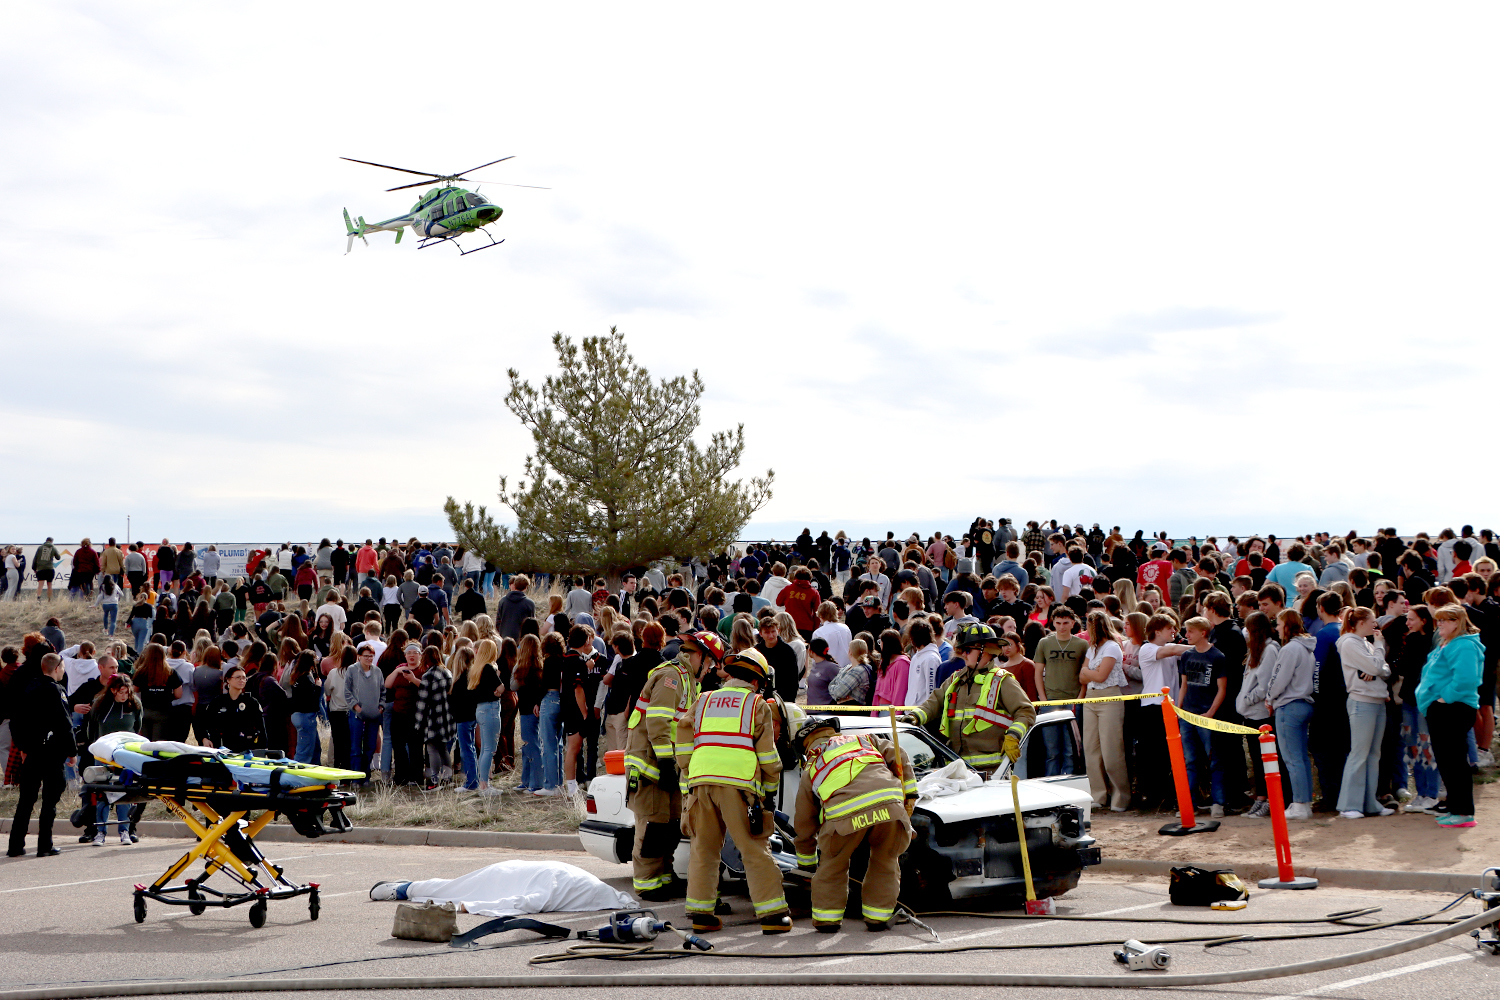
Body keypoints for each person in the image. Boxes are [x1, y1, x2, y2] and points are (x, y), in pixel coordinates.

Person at [682, 648, 791, 935]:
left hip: (700, 783)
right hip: (739, 786)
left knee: (704, 849)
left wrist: (688, 770)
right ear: (757, 681)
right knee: (753, 848)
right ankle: (772, 915)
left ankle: (701, 916)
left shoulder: (703, 700)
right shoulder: (756, 704)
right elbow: (768, 757)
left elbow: (681, 732)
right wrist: (767, 795)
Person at [624, 630, 725, 901]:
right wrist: (667, 762)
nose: (711, 669)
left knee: (668, 824)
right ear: (699, 656)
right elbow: (658, 722)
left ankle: (664, 878)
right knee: (652, 825)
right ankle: (647, 884)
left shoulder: (690, 681)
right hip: (650, 763)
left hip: (666, 764)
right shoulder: (671, 677)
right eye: (711, 662)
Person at [791, 717, 918, 932]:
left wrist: (806, 861)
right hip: (890, 806)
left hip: (844, 817)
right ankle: (878, 918)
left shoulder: (812, 764)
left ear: (806, 744)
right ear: (833, 731)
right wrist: (910, 794)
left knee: (833, 864)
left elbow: (804, 822)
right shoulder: (864, 740)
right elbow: (899, 753)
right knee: (885, 860)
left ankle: (827, 921)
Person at [903, 623, 1035, 777]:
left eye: (967, 650)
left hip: (991, 773)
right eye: (961, 650)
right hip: (958, 769)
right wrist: (913, 717)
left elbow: (1026, 711)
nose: (963, 655)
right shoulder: (955, 680)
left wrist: (1013, 735)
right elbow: (933, 703)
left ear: (984, 650)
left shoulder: (1002, 681)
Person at [1415, 604, 1484, 828]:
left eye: (1444, 620)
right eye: (1439, 620)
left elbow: (1466, 678)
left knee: (1454, 761)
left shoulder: (1464, 645)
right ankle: (1455, 807)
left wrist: (1445, 697)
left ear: (1457, 622)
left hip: (1453, 708)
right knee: (1447, 761)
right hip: (1442, 708)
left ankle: (1464, 812)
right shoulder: (1450, 643)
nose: (1439, 624)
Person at [7, 652, 72, 857]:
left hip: (33, 753)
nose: (63, 670)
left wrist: (23, 748)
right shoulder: (56, 690)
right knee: (49, 801)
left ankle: (15, 846)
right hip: (51, 754)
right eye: (62, 667)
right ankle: (45, 845)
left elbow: (15, 722)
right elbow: (65, 724)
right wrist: (72, 752)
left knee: (25, 801)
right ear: (55, 668)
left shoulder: (29, 688)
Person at [1163, 617, 1229, 816]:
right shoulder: (1187, 656)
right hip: (1187, 716)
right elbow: (1184, 685)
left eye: (1190, 631)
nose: (1187, 635)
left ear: (1203, 632)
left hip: (1206, 716)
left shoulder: (1217, 656)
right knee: (1189, 761)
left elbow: (1221, 689)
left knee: (1214, 759)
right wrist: (1179, 710)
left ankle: (1218, 802)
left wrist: (1211, 712)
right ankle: (1187, 803)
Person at [1334, 607, 1393, 819]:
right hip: (1362, 702)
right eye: (1371, 621)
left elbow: (1384, 670)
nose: (1374, 625)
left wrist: (1375, 664)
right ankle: (1349, 805)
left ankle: (1370, 803)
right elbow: (1378, 667)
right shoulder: (1350, 642)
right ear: (1360, 623)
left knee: (1373, 755)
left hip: (1376, 701)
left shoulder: (1366, 643)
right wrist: (1377, 659)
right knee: (1359, 753)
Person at [1265, 610, 1317, 819]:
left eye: (1279, 624)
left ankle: (1300, 804)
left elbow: (1278, 679)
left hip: (1289, 706)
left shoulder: (1290, 649)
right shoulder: (1307, 649)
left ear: (1287, 625)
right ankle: (1304, 802)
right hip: (1303, 703)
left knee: (1292, 758)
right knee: (1301, 758)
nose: (1276, 628)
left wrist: (1269, 698)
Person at [1078, 610, 1130, 812]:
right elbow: (1084, 677)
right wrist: (1089, 673)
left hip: (1109, 698)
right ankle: (1099, 794)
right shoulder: (1092, 649)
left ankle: (1121, 796)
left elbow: (1099, 676)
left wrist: (1088, 673)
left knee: (1111, 751)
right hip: (1090, 699)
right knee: (1091, 750)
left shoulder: (1112, 647)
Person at [86, 675, 141, 845]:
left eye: (127, 692)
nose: (124, 696)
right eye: (120, 692)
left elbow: (137, 728)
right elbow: (92, 729)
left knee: (123, 791)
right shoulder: (100, 703)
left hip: (125, 755)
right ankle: (100, 832)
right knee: (103, 794)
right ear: (112, 690)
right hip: (103, 754)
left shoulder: (135, 704)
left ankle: (124, 831)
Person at [1234, 611, 1278, 818]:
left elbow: (1266, 685)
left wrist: (1248, 699)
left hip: (1261, 714)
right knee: (1256, 758)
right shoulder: (1255, 650)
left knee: (1265, 760)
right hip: (1250, 714)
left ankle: (1270, 799)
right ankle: (1260, 798)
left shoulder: (1270, 650)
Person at [1034, 607, 1087, 775]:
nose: (1062, 626)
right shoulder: (1045, 642)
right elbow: (1038, 673)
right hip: (1051, 700)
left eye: (1066, 623)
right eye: (1058, 623)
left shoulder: (1081, 644)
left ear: (1073, 623)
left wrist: (1080, 697)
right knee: (1052, 750)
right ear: (1053, 623)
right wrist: (1043, 698)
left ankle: (1070, 781)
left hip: (1073, 701)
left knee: (1071, 748)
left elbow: (1084, 673)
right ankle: (1052, 783)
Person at [414, 645, 456, 789]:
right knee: (443, 748)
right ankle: (448, 778)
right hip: (447, 717)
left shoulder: (428, 676)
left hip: (433, 718)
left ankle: (434, 780)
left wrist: (418, 723)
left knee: (432, 749)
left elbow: (422, 702)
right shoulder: (447, 672)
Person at [200, 665, 268, 751]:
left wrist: (263, 749)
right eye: (238, 677)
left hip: (245, 750)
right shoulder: (218, 701)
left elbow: (261, 728)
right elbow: (202, 722)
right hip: (221, 749)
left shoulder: (251, 702)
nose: (241, 680)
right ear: (228, 680)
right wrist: (204, 738)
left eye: (244, 678)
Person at [343, 643, 385, 781]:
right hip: (357, 714)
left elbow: (383, 691)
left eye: (371, 656)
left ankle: (366, 776)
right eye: (365, 656)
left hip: (374, 714)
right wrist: (355, 706)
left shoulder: (377, 671)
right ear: (359, 657)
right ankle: (355, 778)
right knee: (355, 747)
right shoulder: (352, 670)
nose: (368, 659)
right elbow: (347, 691)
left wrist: (381, 707)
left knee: (370, 746)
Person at [513, 634, 546, 793]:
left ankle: (536, 783)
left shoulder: (523, 669)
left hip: (528, 710)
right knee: (528, 747)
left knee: (532, 746)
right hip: (533, 709)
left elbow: (512, 685)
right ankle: (526, 780)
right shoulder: (540, 667)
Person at [287, 650, 324, 764]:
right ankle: (298, 776)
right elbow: (312, 702)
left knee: (315, 748)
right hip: (306, 717)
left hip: (297, 715)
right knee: (304, 752)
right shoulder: (307, 679)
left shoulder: (297, 676)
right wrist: (318, 688)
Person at [496, 574, 535, 639]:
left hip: (505, 637)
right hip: (522, 639)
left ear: (515, 585)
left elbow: (498, 621)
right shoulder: (529, 603)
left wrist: (501, 633)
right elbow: (532, 624)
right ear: (526, 587)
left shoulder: (503, 601)